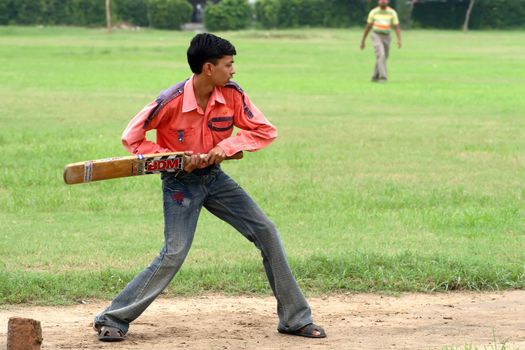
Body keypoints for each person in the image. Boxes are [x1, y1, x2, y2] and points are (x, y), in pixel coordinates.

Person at [93, 33, 326, 342]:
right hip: (179, 184)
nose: (233, 71)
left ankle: (295, 319)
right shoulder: (170, 100)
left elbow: (265, 131)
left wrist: (227, 146)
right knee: (174, 253)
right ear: (208, 68)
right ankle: (113, 318)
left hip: (215, 179)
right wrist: (171, 158)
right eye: (229, 65)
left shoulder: (231, 94)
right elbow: (131, 137)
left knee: (267, 232)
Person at [360, 0, 402, 82]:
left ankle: (375, 76)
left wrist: (399, 39)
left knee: (383, 57)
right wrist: (363, 40)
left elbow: (396, 26)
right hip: (376, 35)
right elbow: (368, 26)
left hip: (387, 36)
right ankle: (383, 77)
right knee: (381, 55)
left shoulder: (392, 13)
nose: (383, 1)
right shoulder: (374, 12)